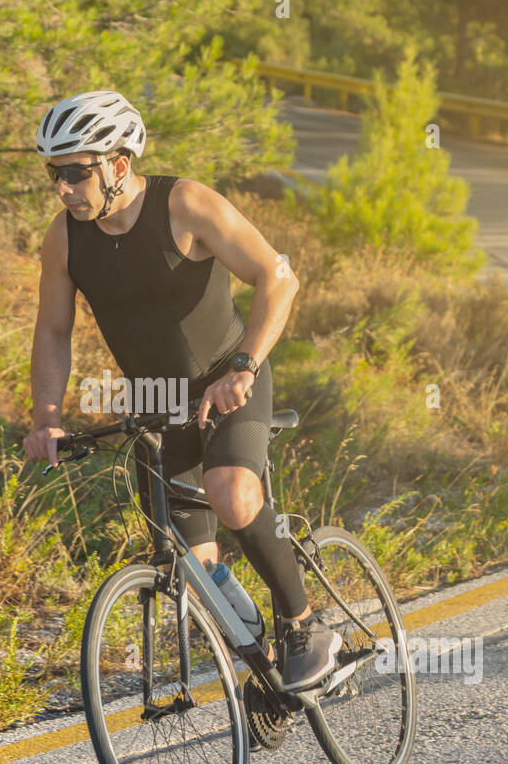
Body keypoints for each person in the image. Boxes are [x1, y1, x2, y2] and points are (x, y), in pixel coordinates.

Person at [21, 89, 342, 691]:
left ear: (118, 164)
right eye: (54, 175)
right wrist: (47, 419)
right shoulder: (64, 237)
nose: (63, 189)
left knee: (233, 494)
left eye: (74, 173)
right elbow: (53, 329)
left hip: (228, 378)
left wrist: (244, 364)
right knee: (193, 569)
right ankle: (266, 676)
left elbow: (278, 275)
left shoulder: (186, 204)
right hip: (154, 403)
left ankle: (303, 624)